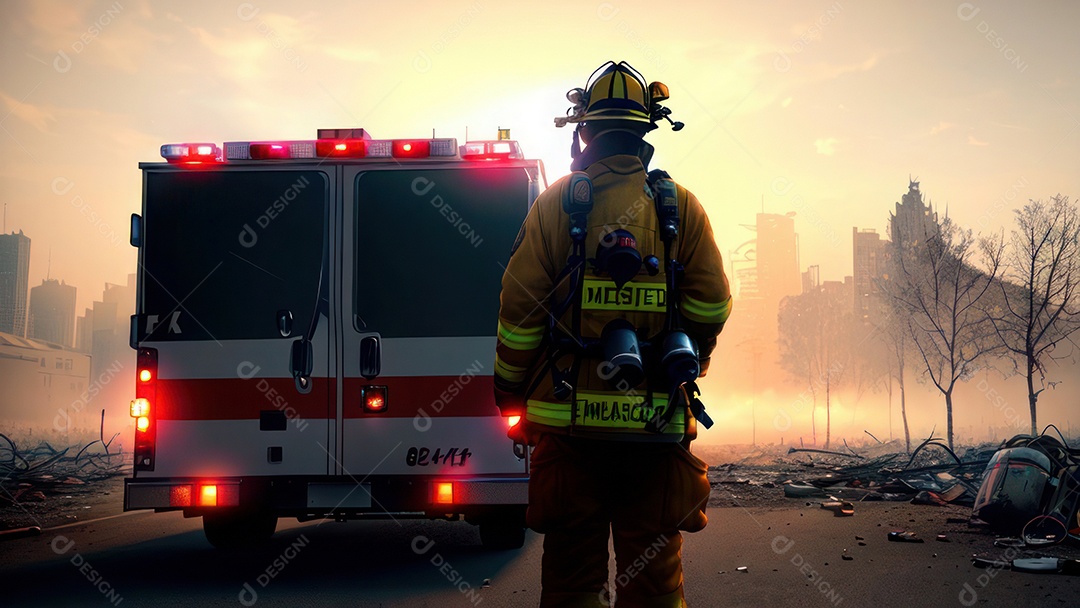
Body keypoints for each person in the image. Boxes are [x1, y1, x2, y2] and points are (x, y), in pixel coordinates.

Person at [493, 61, 732, 607]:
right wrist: (687, 359)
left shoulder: (557, 202)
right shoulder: (680, 207)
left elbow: (519, 308)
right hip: (654, 432)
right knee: (653, 587)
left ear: (584, 131)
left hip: (570, 432)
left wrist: (510, 390)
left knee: (573, 584)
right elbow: (711, 303)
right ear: (648, 129)